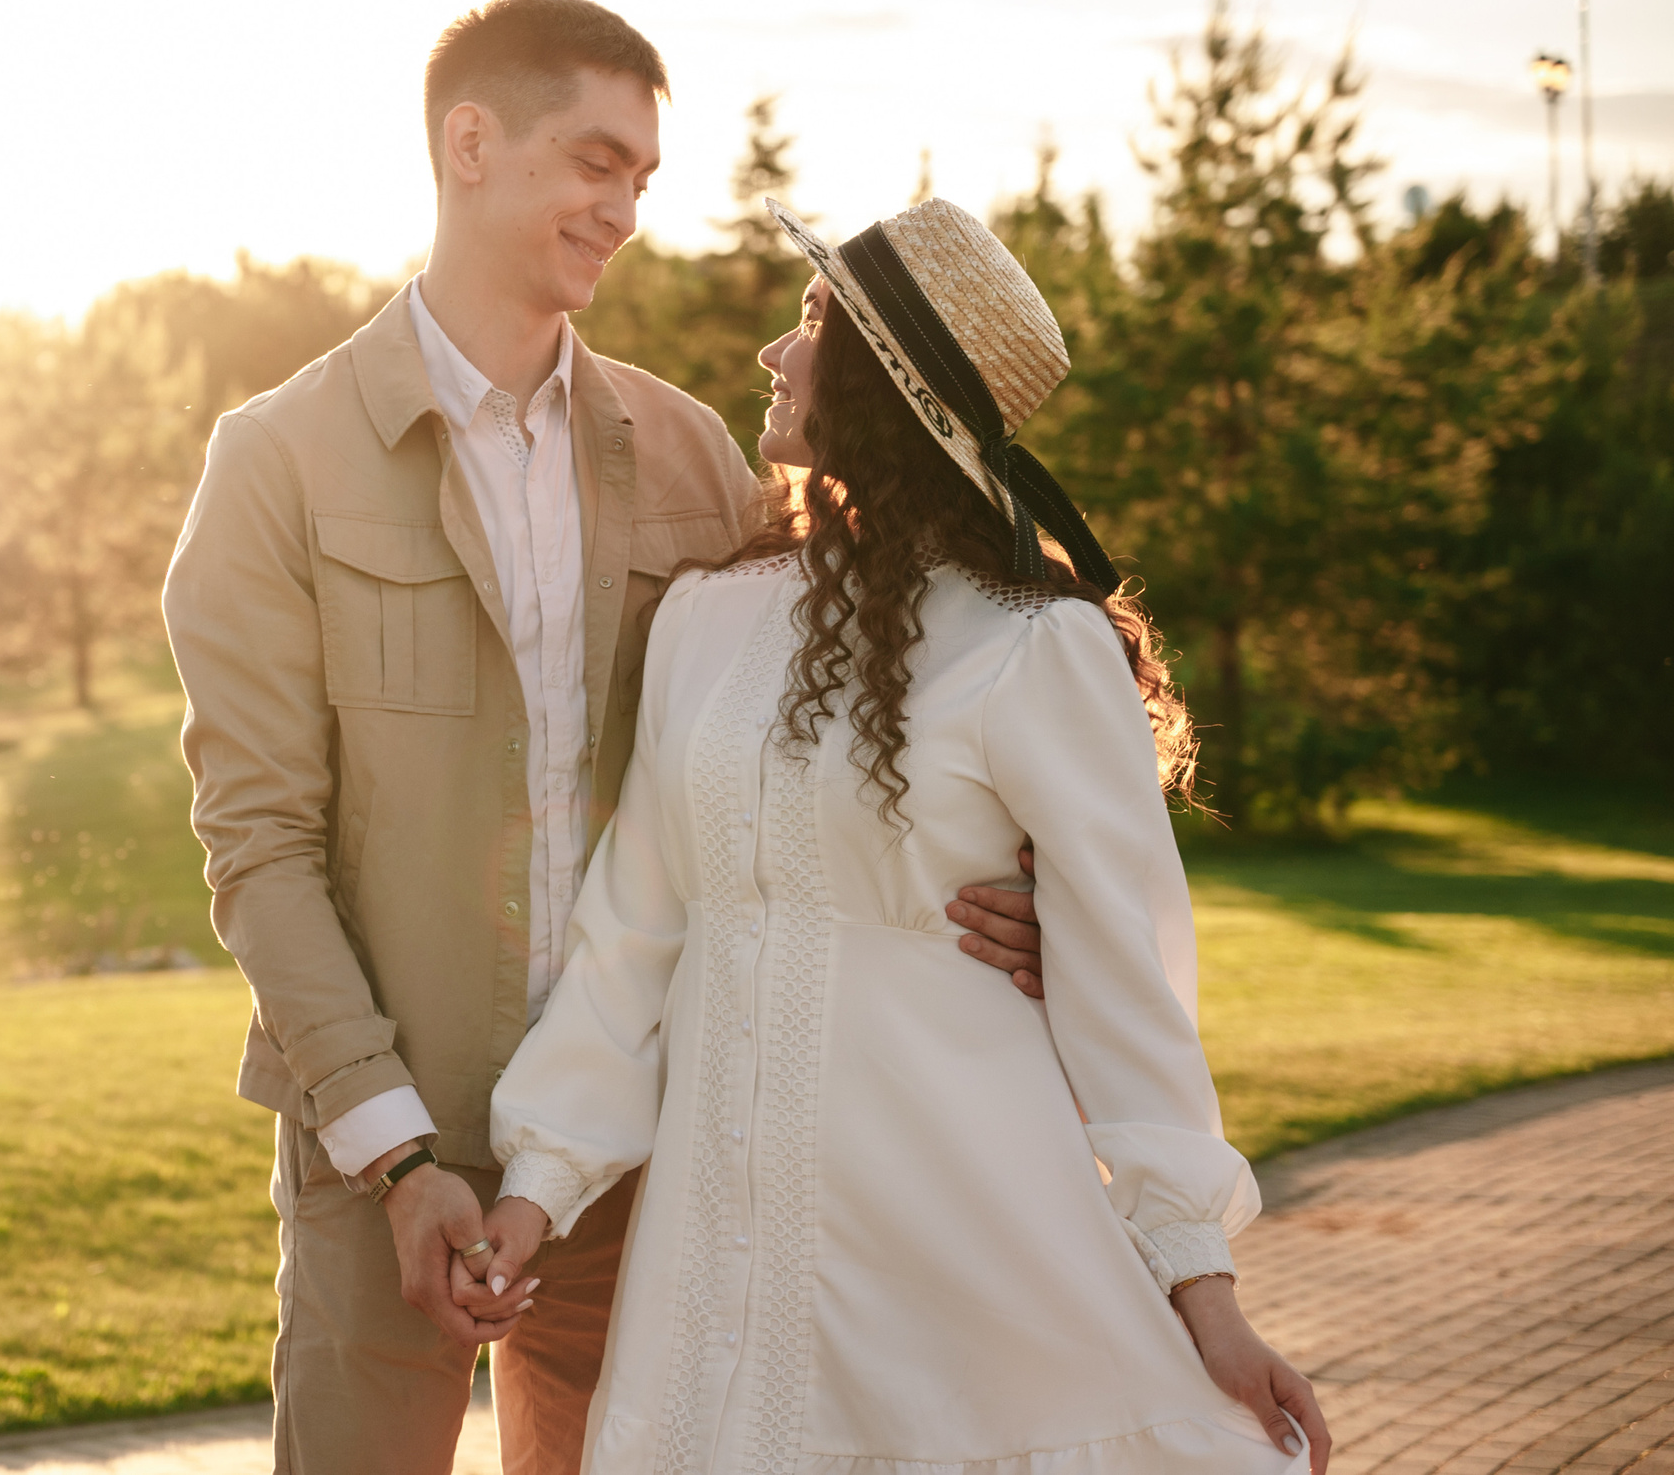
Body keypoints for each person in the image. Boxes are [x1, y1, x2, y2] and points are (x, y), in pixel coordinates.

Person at [162, 0, 1050, 1475]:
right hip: (378, 1152)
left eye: (643, 176)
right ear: (469, 144)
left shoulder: (698, 454)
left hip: (651, 1159)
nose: (626, 209)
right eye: (596, 162)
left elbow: (871, 696)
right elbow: (257, 847)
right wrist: (394, 1156)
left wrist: (1031, 884)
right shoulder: (276, 464)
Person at [481, 196, 1331, 1474]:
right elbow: (632, 937)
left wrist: (1201, 1283)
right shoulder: (706, 622)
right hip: (712, 1266)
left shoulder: (1033, 646)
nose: (774, 348)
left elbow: (1129, 990)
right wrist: (534, 1185)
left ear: (885, 382)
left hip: (957, 1248)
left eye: (813, 319)